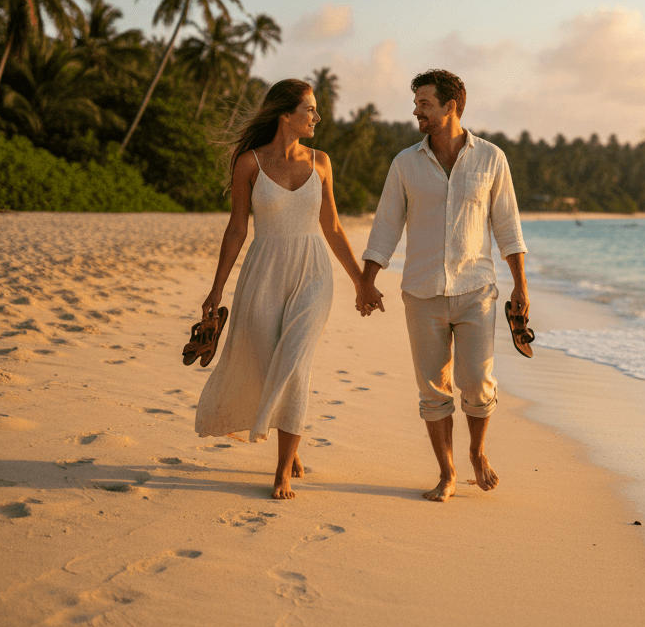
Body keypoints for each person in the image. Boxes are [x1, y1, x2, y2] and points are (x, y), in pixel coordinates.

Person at [195, 78, 378, 500]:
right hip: (263, 273)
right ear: (285, 115)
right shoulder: (249, 163)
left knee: (294, 363)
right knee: (267, 362)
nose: (317, 117)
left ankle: (282, 471)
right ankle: (290, 444)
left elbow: (333, 228)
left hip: (313, 273)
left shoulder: (321, 162)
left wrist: (361, 282)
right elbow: (237, 228)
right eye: (310, 109)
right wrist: (216, 289)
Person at [358, 69, 529, 503]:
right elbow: (386, 225)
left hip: (476, 291)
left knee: (477, 381)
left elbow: (508, 227)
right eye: (417, 103)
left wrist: (520, 287)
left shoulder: (491, 158)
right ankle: (447, 472)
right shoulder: (405, 163)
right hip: (422, 292)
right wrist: (367, 281)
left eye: (425, 103)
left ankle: (476, 451)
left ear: (450, 106)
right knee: (433, 390)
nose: (416, 110)